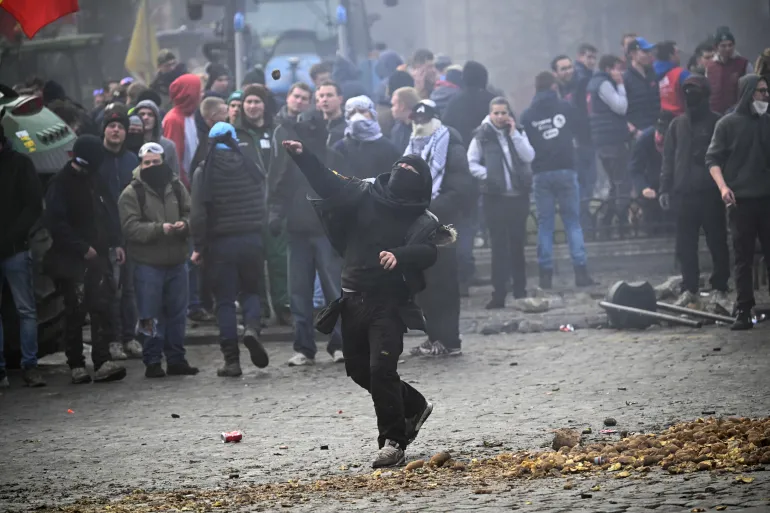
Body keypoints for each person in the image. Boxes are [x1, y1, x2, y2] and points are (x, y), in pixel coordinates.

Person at [281, 137, 454, 468]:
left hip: (388, 304)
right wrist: (304, 156)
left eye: (412, 170)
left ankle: (393, 442)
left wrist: (400, 255)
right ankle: (414, 405)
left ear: (422, 184)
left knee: (381, 370)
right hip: (351, 298)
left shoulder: (421, 219)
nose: (403, 170)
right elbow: (327, 182)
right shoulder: (364, 192)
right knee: (360, 370)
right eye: (400, 166)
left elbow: (429, 252)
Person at [44, 135, 128, 384]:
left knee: (101, 308)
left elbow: (108, 211)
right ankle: (76, 364)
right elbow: (56, 223)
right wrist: (81, 248)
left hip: (98, 257)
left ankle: (102, 361)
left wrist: (116, 242)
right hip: (72, 261)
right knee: (75, 312)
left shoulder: (95, 178)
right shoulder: (61, 183)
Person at [190, 122, 270, 375]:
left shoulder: (204, 171)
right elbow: (263, 202)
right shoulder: (250, 165)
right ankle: (252, 329)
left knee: (224, 301)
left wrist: (198, 246)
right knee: (251, 291)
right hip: (252, 240)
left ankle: (232, 361)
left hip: (220, 245)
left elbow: (198, 214)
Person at [269, 116, 348, 366]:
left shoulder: (334, 157)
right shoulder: (293, 160)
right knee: (299, 293)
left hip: (326, 233)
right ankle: (305, 347)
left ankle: (339, 344)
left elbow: (345, 190)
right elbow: (280, 190)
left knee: (333, 291)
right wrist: (275, 215)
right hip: (298, 233)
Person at [118, 143, 199, 378]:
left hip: (177, 262)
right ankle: (152, 360)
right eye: (148, 163)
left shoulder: (177, 187)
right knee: (149, 315)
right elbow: (130, 228)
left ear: (163, 161)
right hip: (147, 265)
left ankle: (176, 359)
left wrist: (185, 225)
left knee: (177, 314)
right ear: (141, 164)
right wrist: (158, 229)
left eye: (156, 162)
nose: (153, 166)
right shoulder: (131, 193)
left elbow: (191, 213)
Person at [405, 100, 473, 357]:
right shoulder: (413, 145)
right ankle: (433, 336)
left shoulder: (450, 144)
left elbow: (460, 188)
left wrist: (428, 207)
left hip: (442, 225)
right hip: (418, 225)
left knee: (443, 283)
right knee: (423, 285)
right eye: (416, 119)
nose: (419, 124)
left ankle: (449, 339)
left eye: (424, 119)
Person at [705, 74, 770, 330]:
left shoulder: (767, 123)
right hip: (740, 201)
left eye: (766, 90)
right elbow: (713, 159)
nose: (765, 96)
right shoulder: (727, 124)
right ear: (748, 93)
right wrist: (723, 187)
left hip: (766, 198)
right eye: (761, 91)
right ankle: (744, 309)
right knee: (743, 257)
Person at [659, 76, 729, 309]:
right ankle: (690, 289)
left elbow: (727, 156)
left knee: (717, 242)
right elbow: (668, 159)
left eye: (695, 91)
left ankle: (720, 287)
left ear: (706, 94)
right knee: (685, 245)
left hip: (710, 193)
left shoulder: (718, 122)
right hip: (684, 194)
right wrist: (664, 188)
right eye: (687, 91)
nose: (690, 96)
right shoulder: (677, 125)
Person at [521, 72, 595, 289]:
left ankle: (545, 276)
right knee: (572, 222)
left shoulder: (528, 115)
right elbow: (581, 130)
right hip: (566, 169)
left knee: (545, 224)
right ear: (554, 86)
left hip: (541, 172)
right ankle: (581, 272)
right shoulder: (566, 107)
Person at [467, 97, 535, 308]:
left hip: (518, 196)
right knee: (498, 246)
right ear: (490, 114)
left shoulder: (518, 131)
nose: (499, 117)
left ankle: (520, 289)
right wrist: (489, 175)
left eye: (503, 112)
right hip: (495, 198)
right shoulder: (482, 135)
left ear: (509, 114)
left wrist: (514, 134)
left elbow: (528, 156)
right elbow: (471, 162)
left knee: (517, 244)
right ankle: (499, 293)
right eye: (496, 113)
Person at [233, 84, 287, 328]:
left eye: (257, 102)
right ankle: (259, 309)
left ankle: (284, 306)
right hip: (247, 206)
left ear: (265, 105)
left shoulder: (277, 131)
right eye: (248, 102)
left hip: (276, 205)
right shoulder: (235, 134)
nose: (252, 106)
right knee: (252, 262)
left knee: (279, 259)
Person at [0, 126, 45, 387]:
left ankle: (30, 365)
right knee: (25, 310)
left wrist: (12, 236)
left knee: (26, 310)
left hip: (16, 248)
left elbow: (33, 205)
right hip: (15, 246)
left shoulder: (21, 165)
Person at [99, 106, 142, 361]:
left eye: (120, 127)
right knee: (111, 291)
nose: (116, 130)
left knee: (130, 290)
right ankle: (113, 340)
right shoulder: (98, 160)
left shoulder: (132, 160)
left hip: (130, 234)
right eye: (111, 126)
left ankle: (129, 337)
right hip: (105, 235)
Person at [588, 55, 632, 236]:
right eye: (618, 68)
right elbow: (620, 106)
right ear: (608, 69)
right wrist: (620, 85)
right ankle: (618, 222)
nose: (621, 72)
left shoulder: (595, 82)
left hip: (604, 139)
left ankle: (606, 223)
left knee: (615, 183)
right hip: (611, 139)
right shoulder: (604, 84)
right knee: (621, 182)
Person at [333, 95, 402, 179]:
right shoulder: (339, 149)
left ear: (372, 114)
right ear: (347, 117)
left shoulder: (389, 149)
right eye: (352, 113)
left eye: (362, 111)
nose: (357, 116)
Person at [628, 110, 674, 233]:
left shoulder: (680, 139)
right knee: (653, 226)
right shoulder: (645, 140)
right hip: (652, 188)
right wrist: (643, 187)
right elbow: (635, 169)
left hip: (673, 188)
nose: (661, 137)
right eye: (660, 132)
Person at [162, 73, 203, 189]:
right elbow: (174, 159)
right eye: (199, 91)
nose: (202, 95)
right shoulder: (174, 120)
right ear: (189, 94)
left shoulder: (189, 116)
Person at [706, 27, 753, 115]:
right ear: (716, 47)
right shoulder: (710, 66)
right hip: (715, 113)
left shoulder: (743, 64)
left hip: (737, 113)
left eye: (730, 45)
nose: (727, 49)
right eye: (723, 46)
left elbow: (751, 88)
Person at [573, 43, 599, 202]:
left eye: (594, 58)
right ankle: (584, 212)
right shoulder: (582, 79)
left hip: (586, 133)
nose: (592, 61)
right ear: (580, 57)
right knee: (587, 177)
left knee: (588, 177)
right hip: (583, 134)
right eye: (589, 57)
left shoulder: (587, 76)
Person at [134, 99, 180, 178]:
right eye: (142, 114)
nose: (146, 117)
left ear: (156, 119)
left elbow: (175, 176)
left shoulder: (168, 146)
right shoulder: (130, 144)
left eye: (150, 114)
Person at [624, 37, 660, 134]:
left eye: (649, 51)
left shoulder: (653, 74)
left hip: (657, 130)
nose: (649, 55)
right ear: (633, 54)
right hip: (639, 133)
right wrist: (634, 131)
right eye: (645, 51)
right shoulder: (626, 79)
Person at [655, 41, 691, 116]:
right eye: (677, 53)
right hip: (679, 117)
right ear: (671, 55)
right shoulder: (681, 74)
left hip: (657, 118)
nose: (679, 56)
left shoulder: (648, 73)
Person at [389, 85, 420, 154]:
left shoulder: (424, 129)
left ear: (402, 106)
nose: (391, 109)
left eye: (393, 105)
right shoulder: (397, 129)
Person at [315, 81, 346, 146]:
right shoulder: (313, 125)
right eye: (321, 96)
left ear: (340, 99)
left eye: (329, 95)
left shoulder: (348, 126)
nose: (324, 99)